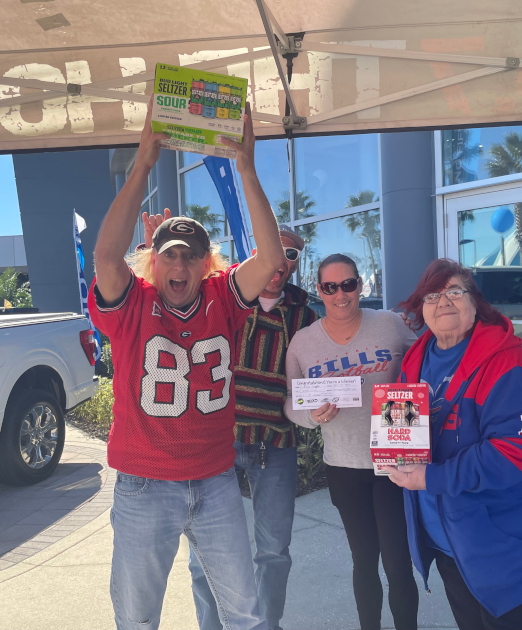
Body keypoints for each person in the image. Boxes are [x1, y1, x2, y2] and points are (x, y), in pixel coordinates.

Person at [90, 101, 284, 630]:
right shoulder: (132, 304)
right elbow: (106, 258)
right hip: (145, 482)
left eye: (190, 255)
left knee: (246, 612)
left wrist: (247, 169)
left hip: (215, 478)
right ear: (153, 261)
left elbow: (270, 260)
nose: (180, 263)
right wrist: (144, 163)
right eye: (169, 254)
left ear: (206, 263)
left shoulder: (222, 298)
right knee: (137, 618)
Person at [387, 258, 522, 630]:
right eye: (432, 295)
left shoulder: (505, 362)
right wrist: (394, 453)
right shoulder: (415, 360)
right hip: (455, 546)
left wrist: (432, 477)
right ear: (421, 308)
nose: (443, 301)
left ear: (475, 302)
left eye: (454, 291)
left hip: (520, 551)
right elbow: (403, 431)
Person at [142, 213, 317, 630]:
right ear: (257, 252)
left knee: (273, 550)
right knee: (204, 556)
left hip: (276, 443)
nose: (281, 260)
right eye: (274, 249)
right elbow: (166, 299)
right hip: (220, 443)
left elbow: (315, 375)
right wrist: (151, 255)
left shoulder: (306, 317)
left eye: (291, 253)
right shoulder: (222, 298)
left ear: (295, 261)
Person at [284, 254, 419, 630]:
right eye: (330, 287)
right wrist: (312, 416)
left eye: (348, 284)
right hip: (343, 465)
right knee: (364, 561)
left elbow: (427, 360)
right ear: (319, 290)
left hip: (395, 462)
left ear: (360, 285)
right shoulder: (303, 343)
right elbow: (291, 402)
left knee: (398, 563)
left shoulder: (390, 324)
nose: (340, 294)